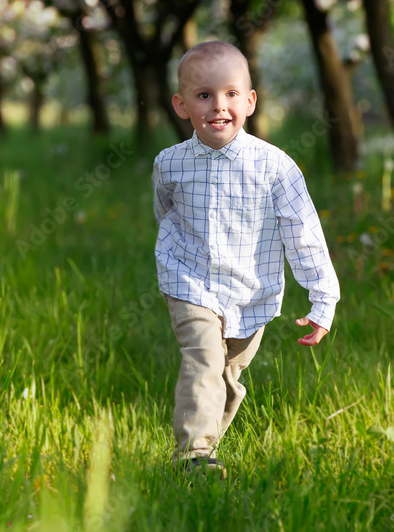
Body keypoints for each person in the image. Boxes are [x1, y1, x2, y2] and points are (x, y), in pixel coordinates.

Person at [152, 40, 341, 478]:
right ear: (181, 105)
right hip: (189, 279)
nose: (219, 106)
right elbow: (166, 212)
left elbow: (304, 235)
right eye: (204, 95)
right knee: (203, 358)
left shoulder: (275, 167)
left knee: (227, 377)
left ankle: (205, 442)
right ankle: (193, 458)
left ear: (251, 101)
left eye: (231, 94)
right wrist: (176, 255)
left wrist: (322, 300)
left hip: (251, 292)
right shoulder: (169, 164)